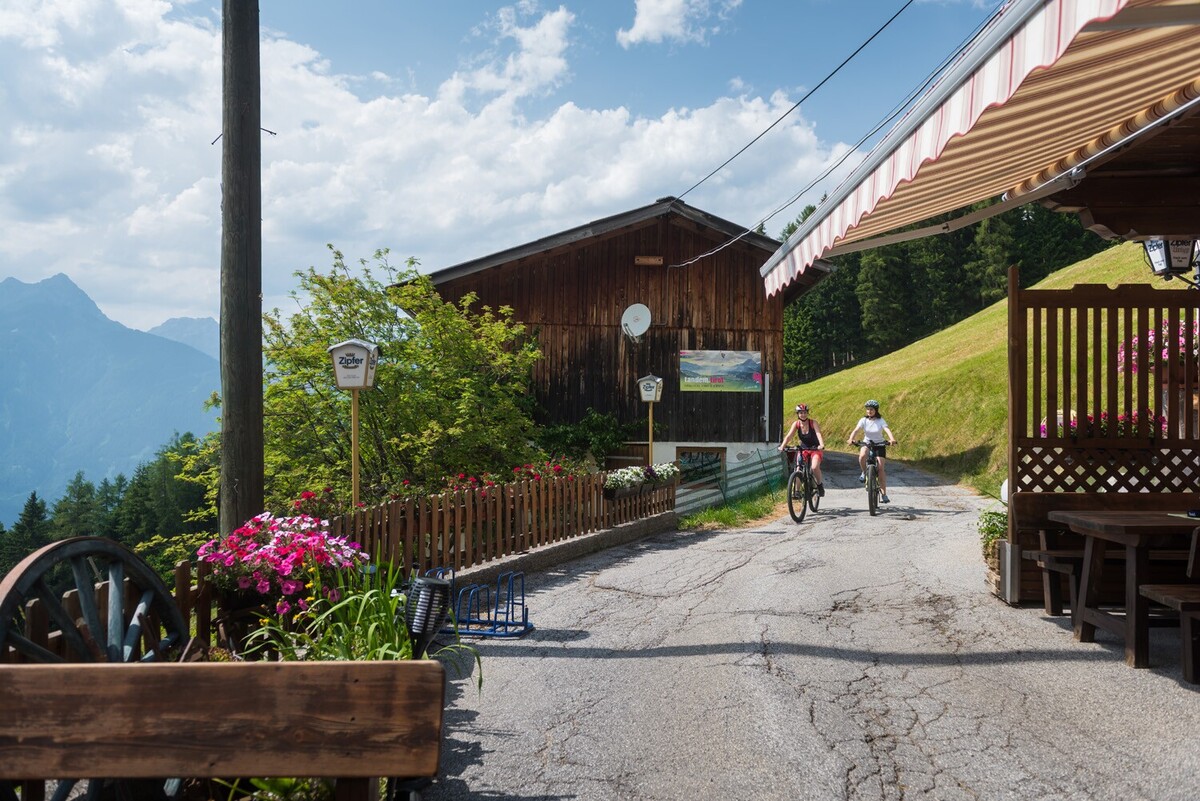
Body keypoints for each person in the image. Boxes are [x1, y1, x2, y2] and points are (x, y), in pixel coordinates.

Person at [847, 399, 897, 503]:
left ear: (876, 410)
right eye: (868, 409)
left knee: (880, 468)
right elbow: (856, 430)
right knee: (862, 456)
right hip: (867, 443)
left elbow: (887, 429)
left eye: (871, 409)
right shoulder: (863, 420)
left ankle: (884, 494)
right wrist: (851, 439)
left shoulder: (880, 420)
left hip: (879, 444)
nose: (869, 411)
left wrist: (892, 439)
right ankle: (864, 472)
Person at [778, 403, 826, 496]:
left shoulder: (813, 423)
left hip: (815, 448)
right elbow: (789, 436)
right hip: (803, 449)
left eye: (804, 412)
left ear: (807, 413)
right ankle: (797, 491)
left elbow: (818, 433)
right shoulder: (796, 424)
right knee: (798, 469)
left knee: (814, 467)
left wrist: (821, 444)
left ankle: (819, 485)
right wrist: (782, 446)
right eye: (800, 413)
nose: (803, 415)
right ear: (797, 414)